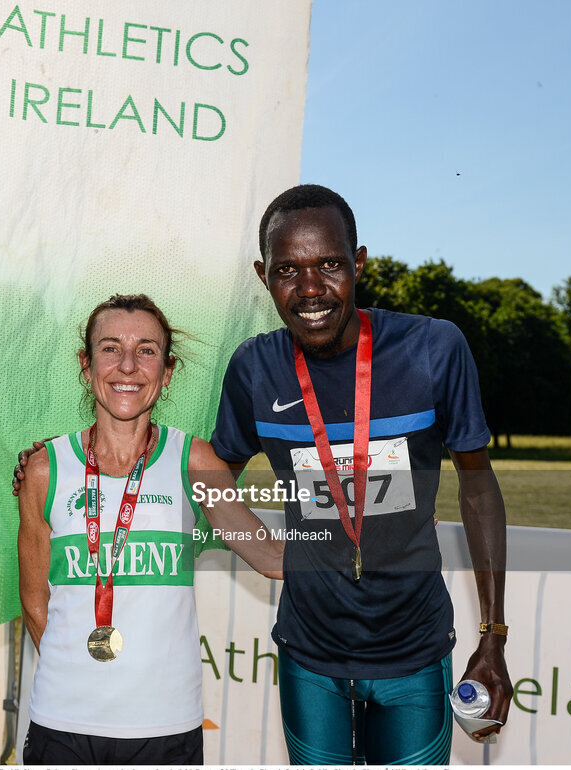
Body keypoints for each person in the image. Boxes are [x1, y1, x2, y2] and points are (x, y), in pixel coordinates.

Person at [208, 184, 512, 764]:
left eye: (330, 265)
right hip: (309, 654)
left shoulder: (433, 348)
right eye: (288, 270)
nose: (311, 289)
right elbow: (213, 466)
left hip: (414, 651)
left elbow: (477, 484)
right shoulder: (255, 367)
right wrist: (266, 552)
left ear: (360, 262)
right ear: (262, 275)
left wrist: (492, 635)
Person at [17, 294, 283, 765]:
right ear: (86, 364)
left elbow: (268, 554)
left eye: (146, 350)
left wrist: (365, 540)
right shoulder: (43, 469)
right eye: (110, 348)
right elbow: (36, 602)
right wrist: (86, 678)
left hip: (167, 723)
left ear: (167, 370)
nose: (127, 366)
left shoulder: (195, 460)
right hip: (62, 721)